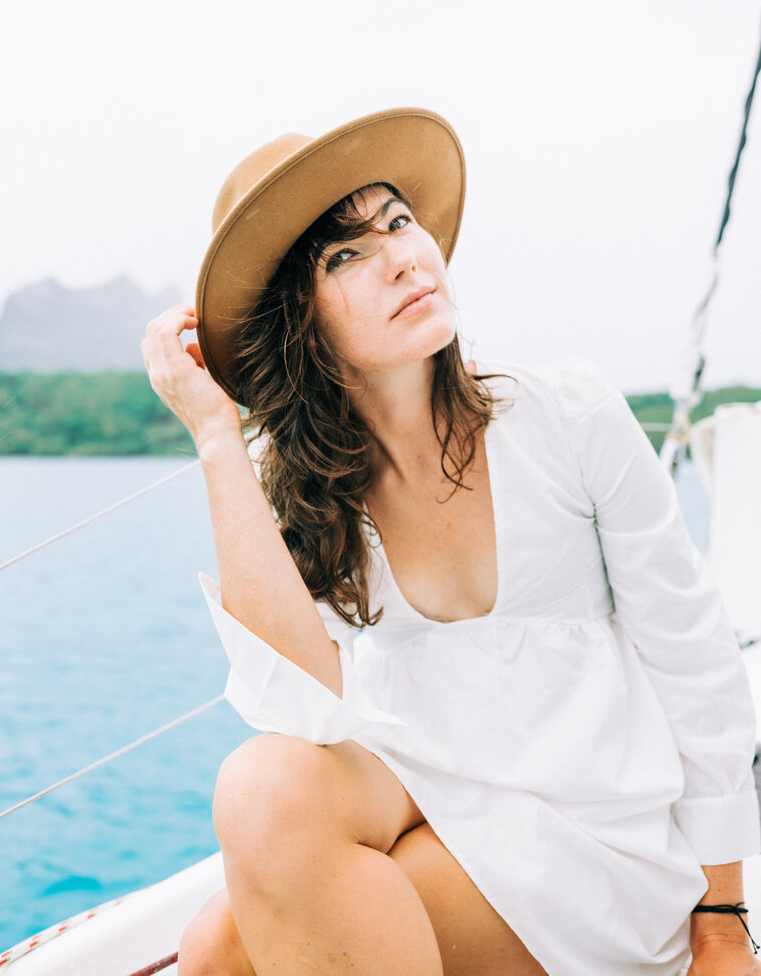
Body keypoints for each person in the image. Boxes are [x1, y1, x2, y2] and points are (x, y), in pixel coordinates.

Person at [141, 107, 761, 975]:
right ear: (300, 323)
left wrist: (725, 914)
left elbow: (693, 657)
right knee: (259, 786)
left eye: (398, 222)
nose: (400, 255)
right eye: (345, 254)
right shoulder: (317, 490)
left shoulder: (565, 417)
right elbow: (302, 708)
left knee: (222, 949)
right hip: (435, 797)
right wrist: (215, 433)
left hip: (593, 831)